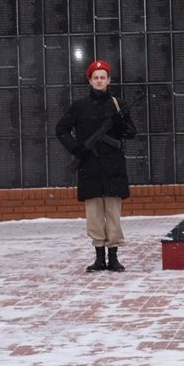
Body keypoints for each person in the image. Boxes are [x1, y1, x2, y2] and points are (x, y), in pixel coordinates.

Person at [56, 59, 137, 272]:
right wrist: (76, 148)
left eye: (103, 77)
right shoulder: (79, 107)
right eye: (96, 77)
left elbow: (131, 133)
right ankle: (99, 257)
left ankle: (114, 257)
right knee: (93, 214)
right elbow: (61, 130)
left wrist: (120, 123)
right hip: (89, 166)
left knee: (113, 213)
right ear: (90, 80)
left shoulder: (117, 105)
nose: (99, 81)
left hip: (113, 167)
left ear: (109, 80)